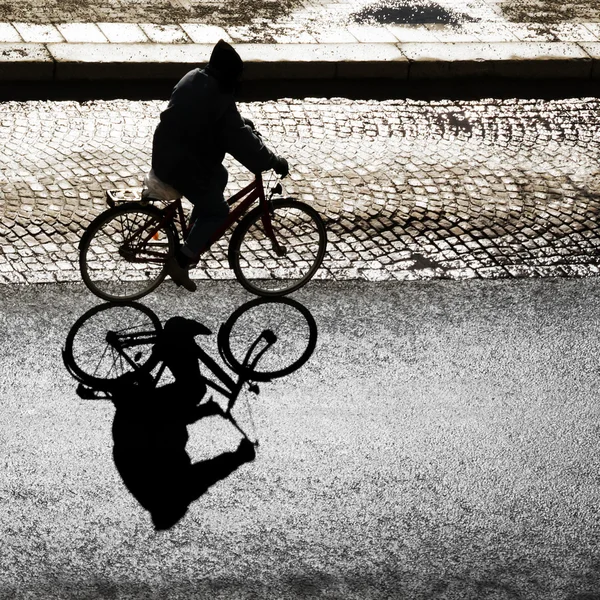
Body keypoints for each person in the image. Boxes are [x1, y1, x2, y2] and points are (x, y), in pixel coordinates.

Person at [151, 40, 289, 292]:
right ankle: (181, 261)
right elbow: (242, 142)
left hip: (168, 152)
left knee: (220, 176)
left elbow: (224, 120)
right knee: (218, 212)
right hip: (181, 164)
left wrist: (243, 122)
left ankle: (193, 236)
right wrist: (272, 161)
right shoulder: (218, 95)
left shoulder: (195, 77)